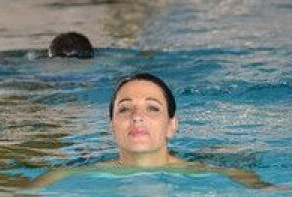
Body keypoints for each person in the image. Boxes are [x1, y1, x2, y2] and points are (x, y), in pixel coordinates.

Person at [33, 73, 269, 188]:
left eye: (152, 108)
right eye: (125, 109)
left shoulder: (224, 173)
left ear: (171, 125)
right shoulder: (62, 175)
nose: (137, 117)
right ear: (111, 126)